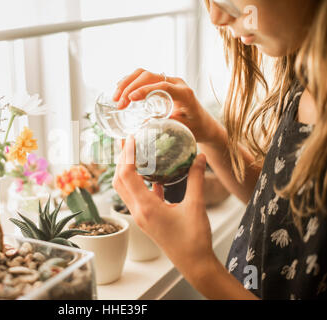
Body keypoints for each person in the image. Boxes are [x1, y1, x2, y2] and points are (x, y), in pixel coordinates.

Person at [112, 0, 326, 299]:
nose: (215, 16)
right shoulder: (306, 82)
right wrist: (210, 134)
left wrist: (198, 264)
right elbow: (282, 209)